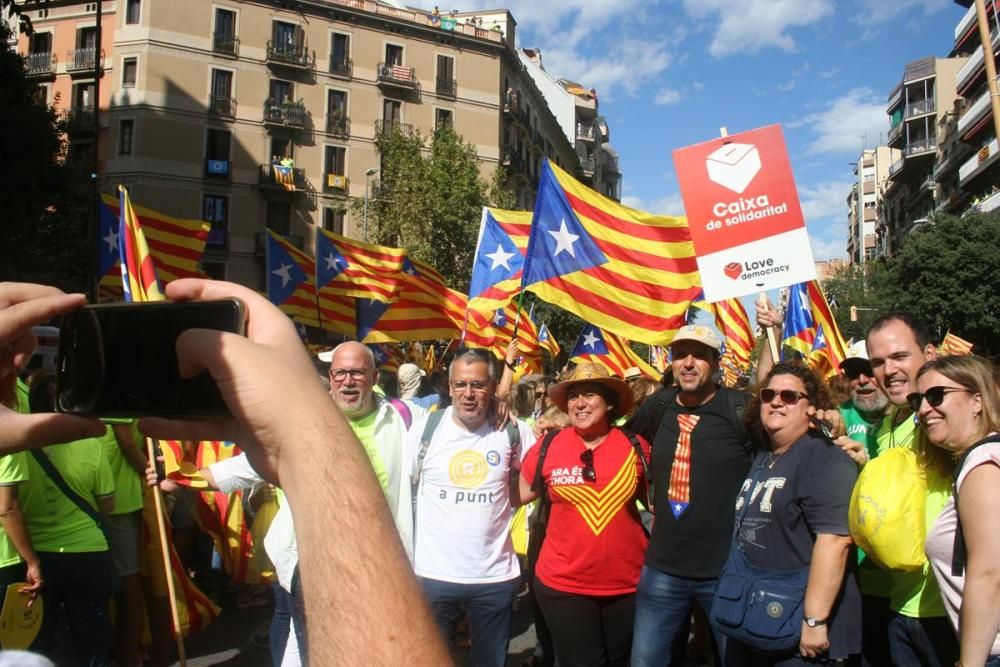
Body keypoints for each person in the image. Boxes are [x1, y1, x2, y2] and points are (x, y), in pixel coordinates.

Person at [0, 280, 451, 664]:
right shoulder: (300, 409)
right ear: (328, 376)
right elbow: (241, 467)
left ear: (375, 378)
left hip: (387, 557)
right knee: (298, 641)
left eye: (357, 374)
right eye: (339, 373)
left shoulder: (408, 421)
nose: (347, 381)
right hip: (300, 559)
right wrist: (188, 480)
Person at [628, 325, 754, 666]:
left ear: (716, 362)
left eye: (699, 355)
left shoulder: (741, 409)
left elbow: (784, 447)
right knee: (645, 661)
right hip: (663, 569)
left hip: (726, 571)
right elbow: (623, 443)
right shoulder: (659, 405)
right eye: (680, 354)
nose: (688, 363)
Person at [723, 362, 860, 665]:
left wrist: (814, 619)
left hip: (799, 633)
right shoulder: (763, 455)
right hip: (755, 617)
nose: (775, 401)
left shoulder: (823, 456)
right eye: (768, 394)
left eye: (789, 396)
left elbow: (835, 540)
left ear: (812, 408)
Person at [408, 348, 535, 667]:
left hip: (494, 576)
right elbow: (402, 486)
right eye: (460, 384)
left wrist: (507, 497)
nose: (468, 393)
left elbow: (535, 481)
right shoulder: (426, 428)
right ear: (449, 387)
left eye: (478, 385)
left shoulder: (514, 430)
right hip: (432, 574)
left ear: (493, 388)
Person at [518, 363, 650, 666]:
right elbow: (518, 492)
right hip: (563, 585)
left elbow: (659, 504)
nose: (579, 403)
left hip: (627, 584)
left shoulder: (636, 447)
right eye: (574, 396)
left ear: (610, 403)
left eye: (589, 395)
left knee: (620, 660)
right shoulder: (548, 445)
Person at [866, 313, 958, 667]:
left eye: (900, 357)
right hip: (899, 604)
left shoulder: (945, 420)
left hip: (949, 610)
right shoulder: (885, 425)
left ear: (930, 354)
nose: (888, 371)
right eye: (878, 362)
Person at [23, 371, 117, 666]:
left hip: (35, 558)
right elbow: (108, 503)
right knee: (91, 639)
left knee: (37, 639)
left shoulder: (16, 446)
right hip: (88, 554)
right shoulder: (90, 442)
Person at [918, 356, 1000, 666]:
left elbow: (990, 575)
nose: (924, 408)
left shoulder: (983, 464)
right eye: (919, 399)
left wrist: (970, 663)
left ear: (977, 401)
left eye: (937, 395)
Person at [836, 341, 892, 666]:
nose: (862, 380)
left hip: (908, 586)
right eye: (854, 373)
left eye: (869, 370)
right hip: (855, 577)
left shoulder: (914, 416)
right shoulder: (838, 416)